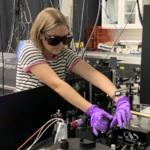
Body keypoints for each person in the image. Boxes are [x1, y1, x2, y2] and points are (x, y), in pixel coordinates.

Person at [16, 8, 132, 136]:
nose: (60, 45)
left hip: (49, 115)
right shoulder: (30, 50)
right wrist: (91, 110)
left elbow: (93, 75)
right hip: (26, 116)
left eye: (65, 40)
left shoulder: (63, 53)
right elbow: (57, 84)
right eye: (54, 40)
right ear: (40, 34)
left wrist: (118, 97)